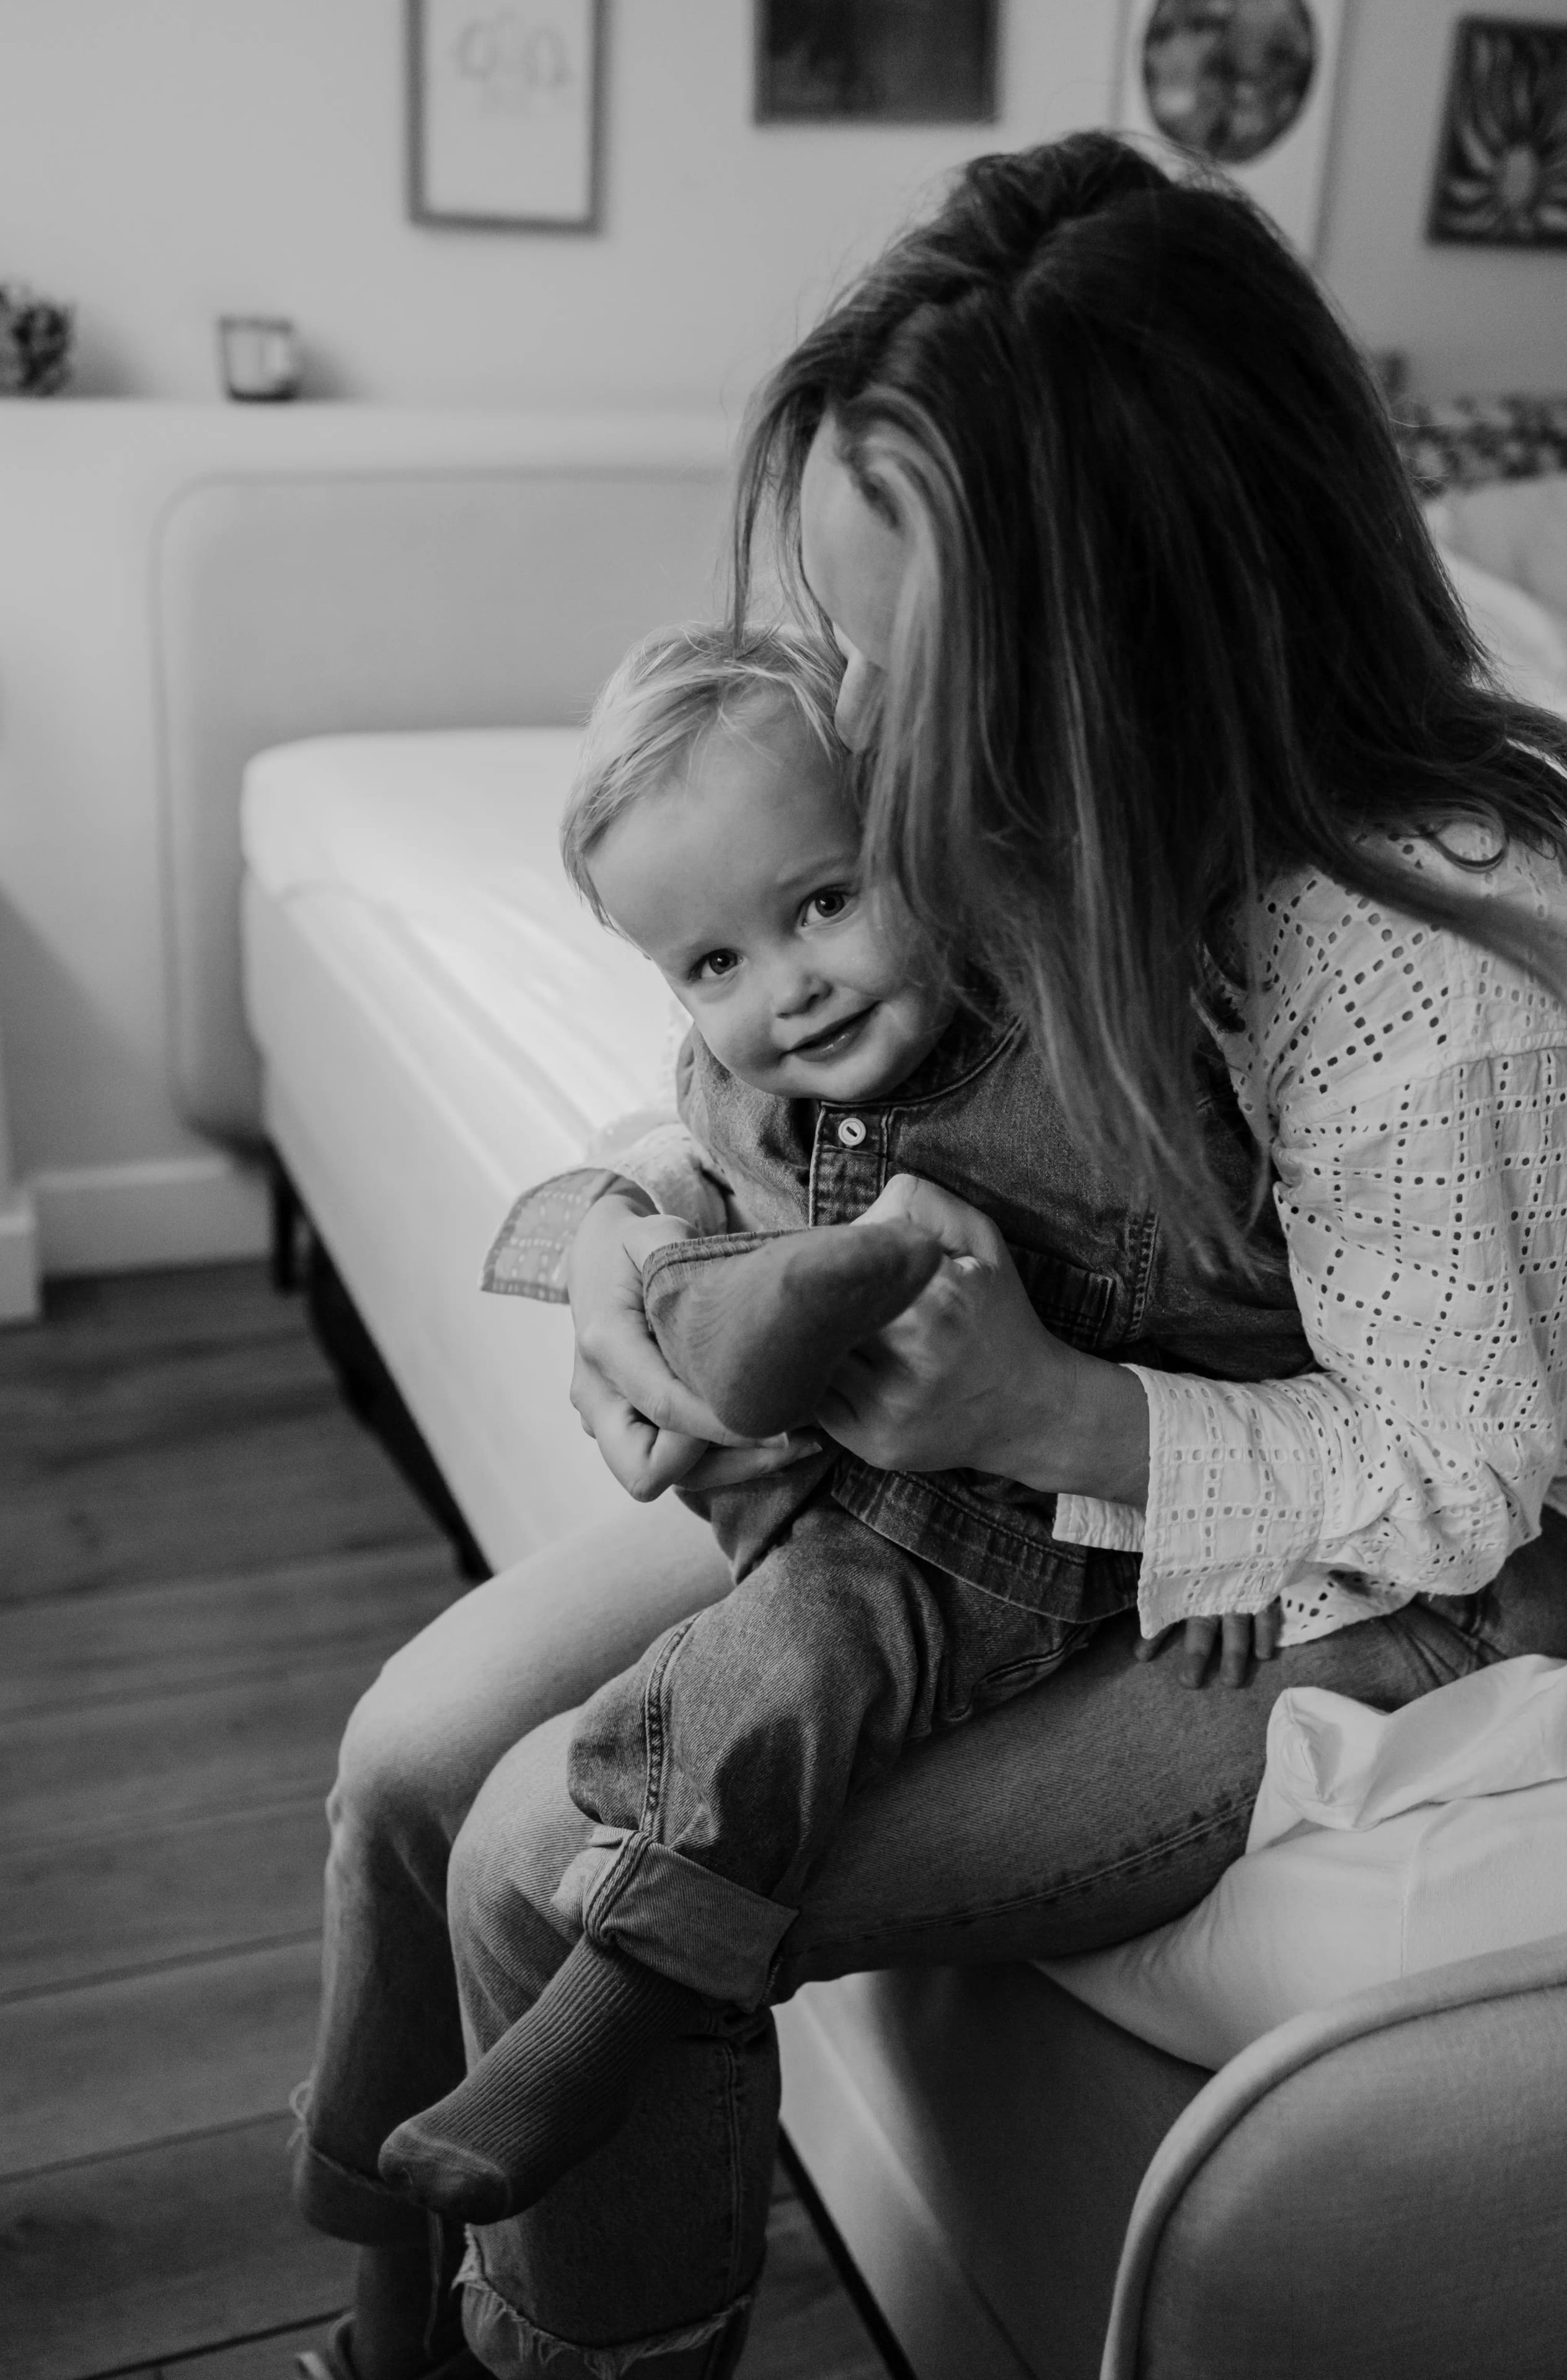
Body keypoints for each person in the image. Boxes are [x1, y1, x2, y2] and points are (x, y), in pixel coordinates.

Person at [290, 132, 1567, 2380]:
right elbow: (811, 1076)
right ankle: (393, 2327)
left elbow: (1466, 1467)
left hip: (1364, 1584)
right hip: (966, 1485)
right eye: (846, 644)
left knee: (545, 1860)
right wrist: (612, 1247)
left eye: (898, 652)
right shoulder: (1015, 804)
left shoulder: (1410, 964)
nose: (858, 720)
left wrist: (1043, 1413)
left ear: (1122, 635)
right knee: (412, 1755)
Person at [374, 617, 1315, 2228]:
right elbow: (676, 1155)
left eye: (822, 904)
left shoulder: (1088, 1090)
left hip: (1008, 1541)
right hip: (824, 1487)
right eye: (714, 964)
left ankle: (629, 1983)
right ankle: (392, 2276)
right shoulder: (741, 1073)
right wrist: (617, 1232)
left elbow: (1263, 1332)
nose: (785, 992)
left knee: (782, 1666)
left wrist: (1240, 1549)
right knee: (415, 1750)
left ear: (936, 838)